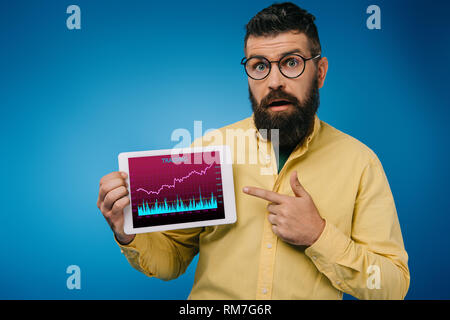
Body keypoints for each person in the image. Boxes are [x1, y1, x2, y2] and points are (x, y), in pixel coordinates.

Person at [97, 2, 410, 299]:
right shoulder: (209, 149)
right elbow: (173, 259)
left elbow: (392, 286)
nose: (274, 82)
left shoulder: (360, 163)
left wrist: (319, 235)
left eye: (291, 63)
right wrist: (128, 232)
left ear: (321, 71)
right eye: (260, 66)